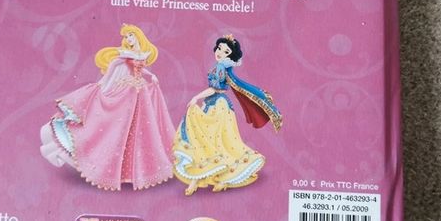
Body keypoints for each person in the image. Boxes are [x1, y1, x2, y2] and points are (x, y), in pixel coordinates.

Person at [40, 24, 174, 190]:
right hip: (127, 92)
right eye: (126, 37)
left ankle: (131, 171)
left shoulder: (142, 53)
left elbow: (141, 69)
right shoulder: (125, 54)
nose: (128, 39)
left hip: (141, 93)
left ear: (138, 36)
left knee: (139, 130)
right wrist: (103, 84)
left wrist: (151, 75)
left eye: (131, 36)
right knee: (118, 127)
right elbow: (114, 68)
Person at [172, 34, 282, 195]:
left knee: (213, 141)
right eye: (219, 48)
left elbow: (214, 89)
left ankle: (218, 178)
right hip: (217, 105)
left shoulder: (221, 68)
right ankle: (208, 178)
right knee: (215, 141)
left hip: (219, 107)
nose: (220, 52)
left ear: (230, 56)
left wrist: (196, 97)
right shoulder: (221, 66)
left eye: (225, 51)